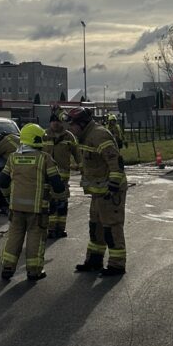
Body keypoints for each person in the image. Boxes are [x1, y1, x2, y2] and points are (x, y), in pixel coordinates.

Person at [65, 106, 127, 276]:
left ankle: (117, 264)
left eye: (72, 125)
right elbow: (93, 163)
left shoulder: (99, 135)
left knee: (111, 227)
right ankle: (94, 260)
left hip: (110, 191)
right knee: (96, 226)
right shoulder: (85, 137)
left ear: (82, 124)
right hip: (99, 191)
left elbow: (115, 162)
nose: (70, 129)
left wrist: (113, 186)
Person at [0, 123, 64, 281]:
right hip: (37, 209)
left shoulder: (13, 157)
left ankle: (7, 267)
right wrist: (58, 199)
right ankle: (34, 271)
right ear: (36, 139)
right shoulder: (44, 158)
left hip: (16, 208)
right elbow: (57, 184)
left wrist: (8, 198)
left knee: (14, 236)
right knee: (36, 237)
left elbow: (3, 181)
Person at [43, 110, 80, 238]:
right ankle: (51, 229)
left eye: (57, 121)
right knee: (50, 204)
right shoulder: (44, 135)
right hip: (47, 178)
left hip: (63, 178)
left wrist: (82, 167)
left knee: (62, 204)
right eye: (52, 121)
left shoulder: (69, 137)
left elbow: (78, 154)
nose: (55, 123)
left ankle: (61, 229)